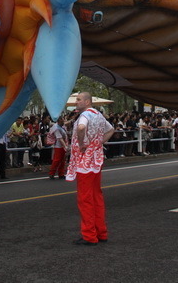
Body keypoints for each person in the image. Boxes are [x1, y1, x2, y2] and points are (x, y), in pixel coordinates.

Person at [66, 92, 115, 246]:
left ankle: (89, 235)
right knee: (97, 197)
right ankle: (101, 232)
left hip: (84, 163)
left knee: (85, 199)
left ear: (87, 101)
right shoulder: (98, 115)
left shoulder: (84, 116)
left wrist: (82, 144)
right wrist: (98, 143)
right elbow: (111, 129)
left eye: (79, 99)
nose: (76, 102)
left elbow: (81, 128)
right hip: (96, 161)